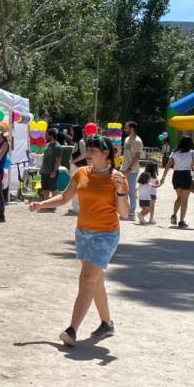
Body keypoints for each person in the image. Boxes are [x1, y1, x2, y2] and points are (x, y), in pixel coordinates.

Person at [29, 135, 129, 346]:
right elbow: (65, 197)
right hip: (83, 232)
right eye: (88, 149)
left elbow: (124, 213)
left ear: (105, 153)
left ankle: (72, 329)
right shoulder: (81, 173)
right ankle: (106, 324)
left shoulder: (117, 177)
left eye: (93, 150)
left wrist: (121, 192)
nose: (89, 153)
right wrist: (42, 204)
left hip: (106, 234)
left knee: (86, 280)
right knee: (95, 280)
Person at [158, 135, 194, 228]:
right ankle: (181, 221)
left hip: (176, 176)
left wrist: (163, 177)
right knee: (184, 200)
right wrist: (193, 162)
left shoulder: (174, 152)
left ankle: (174, 214)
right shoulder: (192, 152)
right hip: (186, 175)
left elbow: (168, 165)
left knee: (179, 197)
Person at [121, 121, 144, 220]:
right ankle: (125, 211)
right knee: (123, 191)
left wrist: (129, 169)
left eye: (126, 127)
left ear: (131, 128)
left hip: (132, 170)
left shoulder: (137, 141)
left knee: (131, 191)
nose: (124, 129)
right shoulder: (127, 139)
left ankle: (131, 214)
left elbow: (137, 157)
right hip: (124, 168)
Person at [39, 130, 60, 200]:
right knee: (45, 188)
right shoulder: (47, 145)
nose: (45, 136)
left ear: (51, 136)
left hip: (51, 171)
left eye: (46, 135)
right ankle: (46, 203)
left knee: (53, 188)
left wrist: (54, 171)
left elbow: (58, 160)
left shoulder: (57, 146)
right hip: (44, 170)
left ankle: (54, 204)